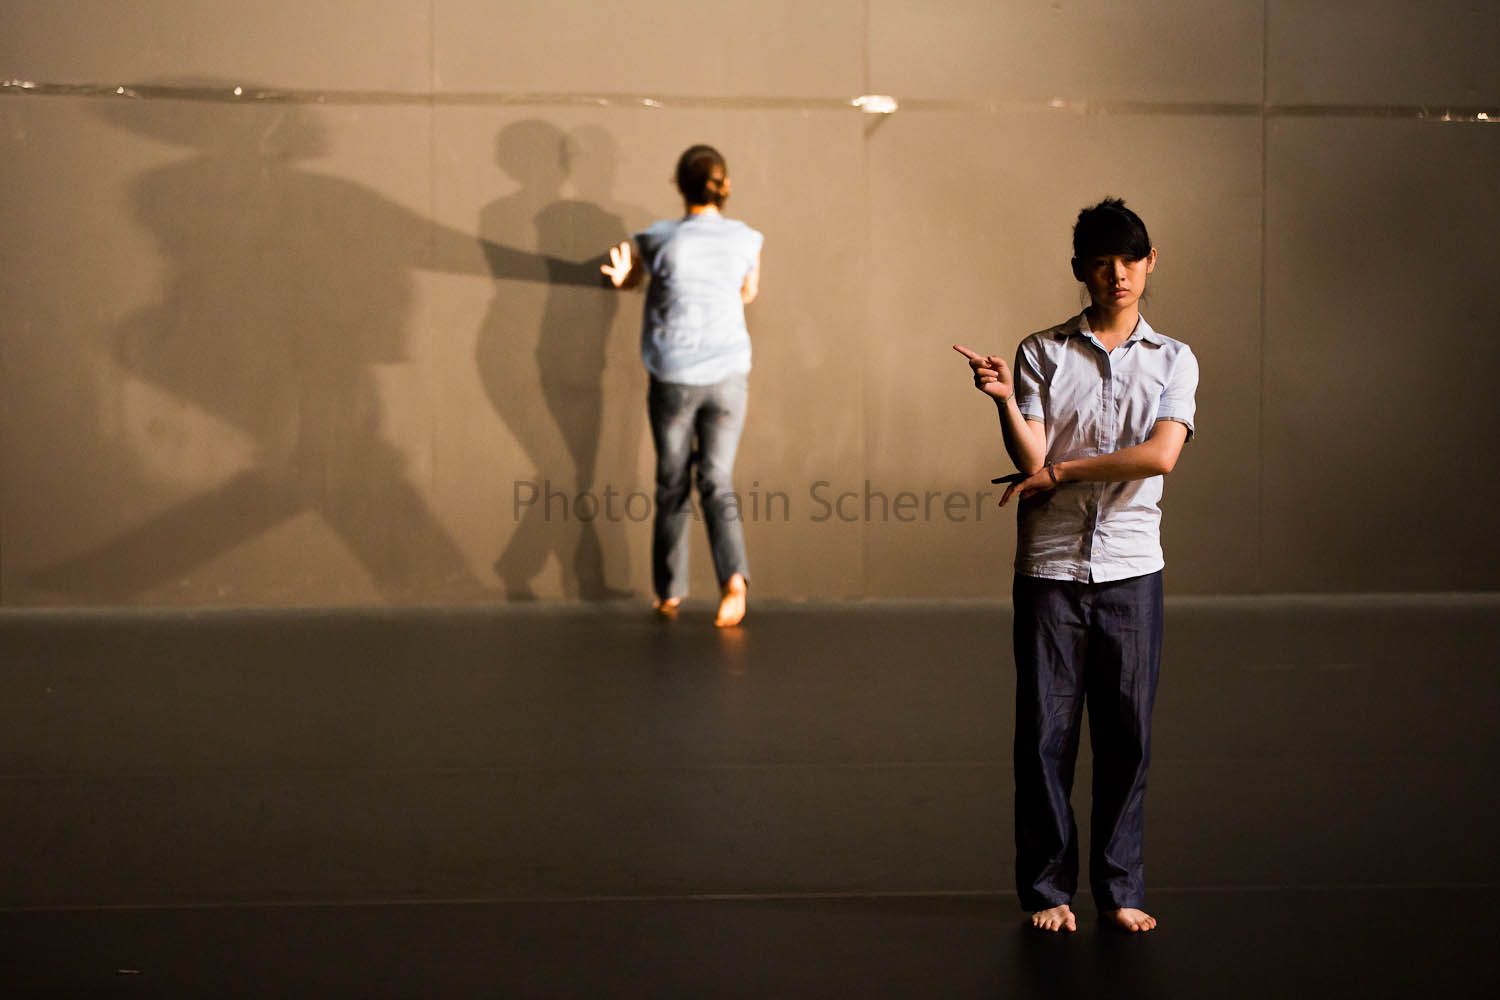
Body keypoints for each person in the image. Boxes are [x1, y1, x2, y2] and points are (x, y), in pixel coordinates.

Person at [954, 197, 1198, 934]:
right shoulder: (1041, 352)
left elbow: (1161, 456)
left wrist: (1063, 472)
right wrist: (1005, 402)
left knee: (1128, 739)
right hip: (1051, 567)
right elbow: (1030, 453)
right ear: (1079, 270)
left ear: (1150, 263)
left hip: (1132, 566)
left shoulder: (1174, 358)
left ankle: (1121, 889)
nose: (1117, 274)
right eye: (1101, 262)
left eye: (1129, 260)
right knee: (1044, 737)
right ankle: (1047, 890)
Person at [601, 145, 763, 627]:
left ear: (679, 185)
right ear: (725, 185)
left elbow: (632, 279)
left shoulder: (658, 239)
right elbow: (748, 292)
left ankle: (669, 591)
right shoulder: (747, 239)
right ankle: (734, 584)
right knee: (716, 480)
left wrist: (624, 280)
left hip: (673, 378)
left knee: (672, 482)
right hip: (727, 378)